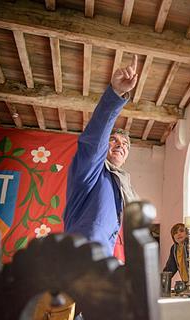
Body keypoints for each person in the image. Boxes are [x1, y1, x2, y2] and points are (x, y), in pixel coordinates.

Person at [64, 55, 140, 264]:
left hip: (106, 266)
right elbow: (94, 141)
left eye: (125, 145)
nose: (120, 146)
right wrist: (114, 95)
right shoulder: (90, 170)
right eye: (113, 141)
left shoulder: (122, 185)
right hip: (79, 264)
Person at [163, 223, 190, 287]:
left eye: (181, 231)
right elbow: (170, 267)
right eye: (175, 233)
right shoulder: (174, 248)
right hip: (186, 282)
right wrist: (162, 280)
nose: (179, 234)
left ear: (187, 233)